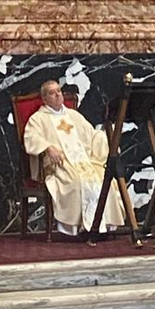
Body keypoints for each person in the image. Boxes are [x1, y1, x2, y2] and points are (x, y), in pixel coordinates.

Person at [24, 80, 126, 237]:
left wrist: (107, 138)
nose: (57, 95)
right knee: (76, 182)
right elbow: (31, 138)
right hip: (60, 164)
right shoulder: (38, 119)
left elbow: (92, 135)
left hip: (86, 162)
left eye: (59, 91)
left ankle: (101, 227)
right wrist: (48, 147)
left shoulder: (74, 116)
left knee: (104, 179)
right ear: (44, 99)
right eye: (52, 93)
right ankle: (80, 228)